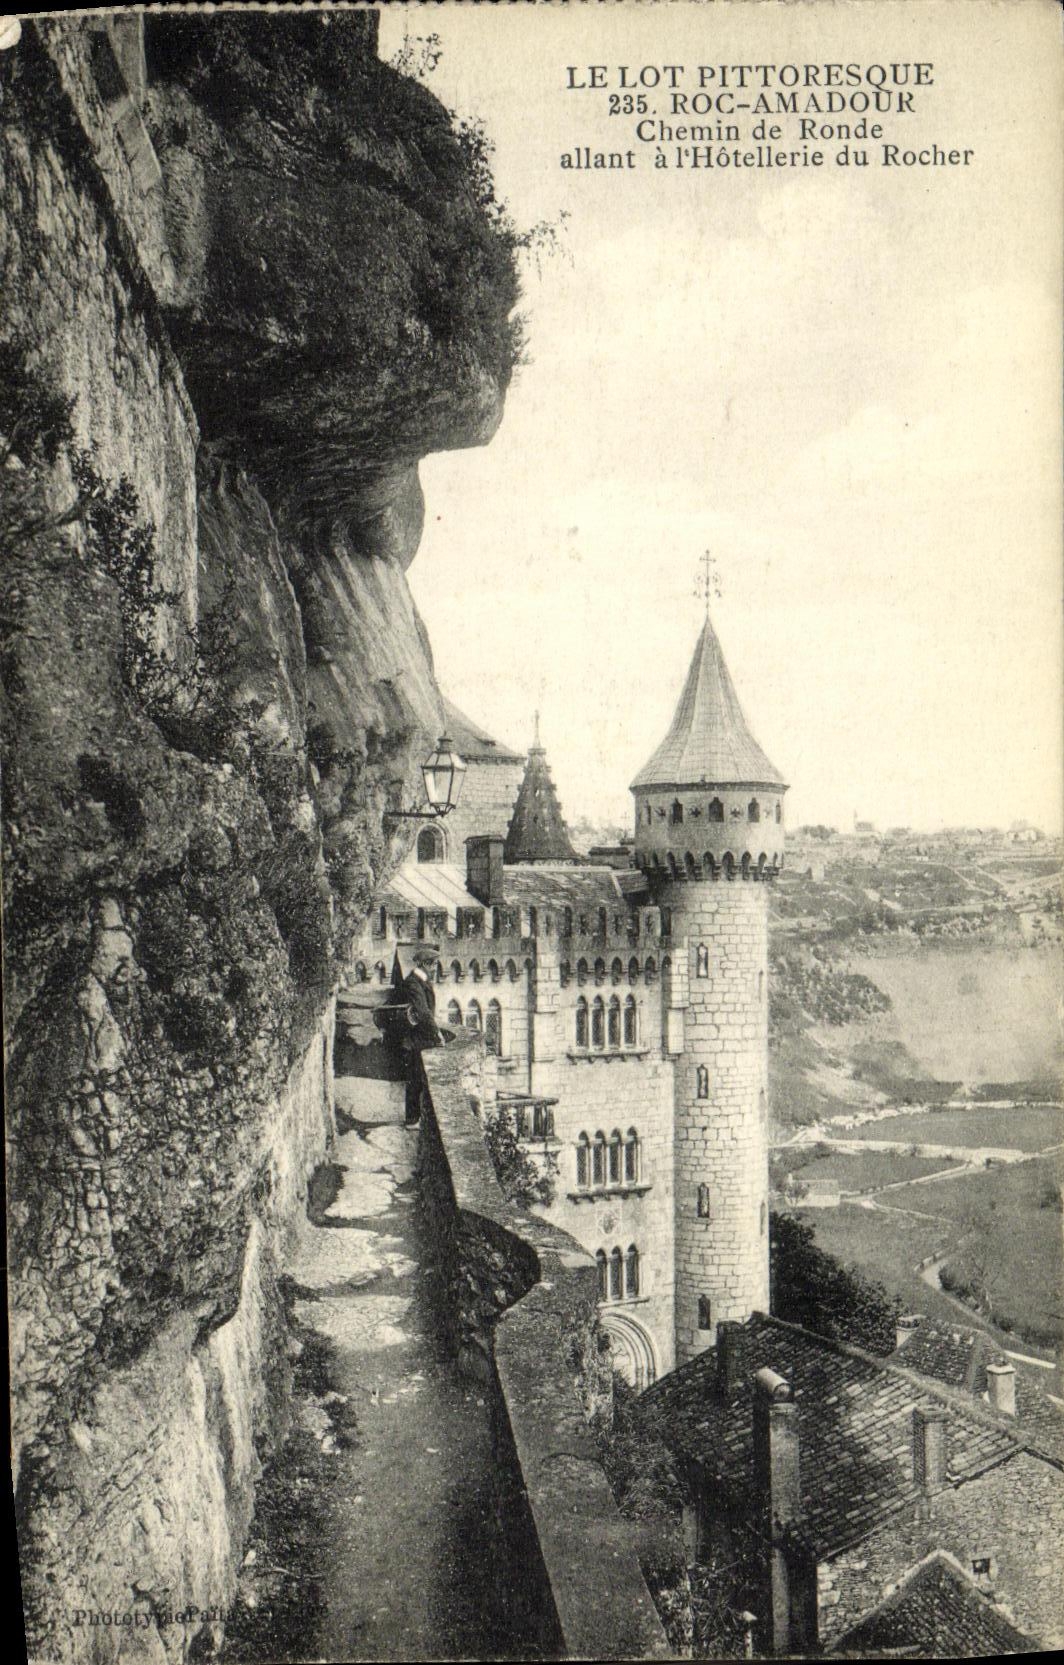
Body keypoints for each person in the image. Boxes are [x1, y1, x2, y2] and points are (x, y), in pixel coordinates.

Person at [399, 944, 442, 1122]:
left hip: (419, 1038)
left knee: (417, 1079)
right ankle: (411, 1119)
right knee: (415, 1080)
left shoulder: (418, 981)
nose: (435, 969)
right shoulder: (413, 983)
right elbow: (423, 1012)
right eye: (433, 965)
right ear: (425, 964)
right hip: (416, 1039)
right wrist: (437, 1033)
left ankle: (414, 1118)